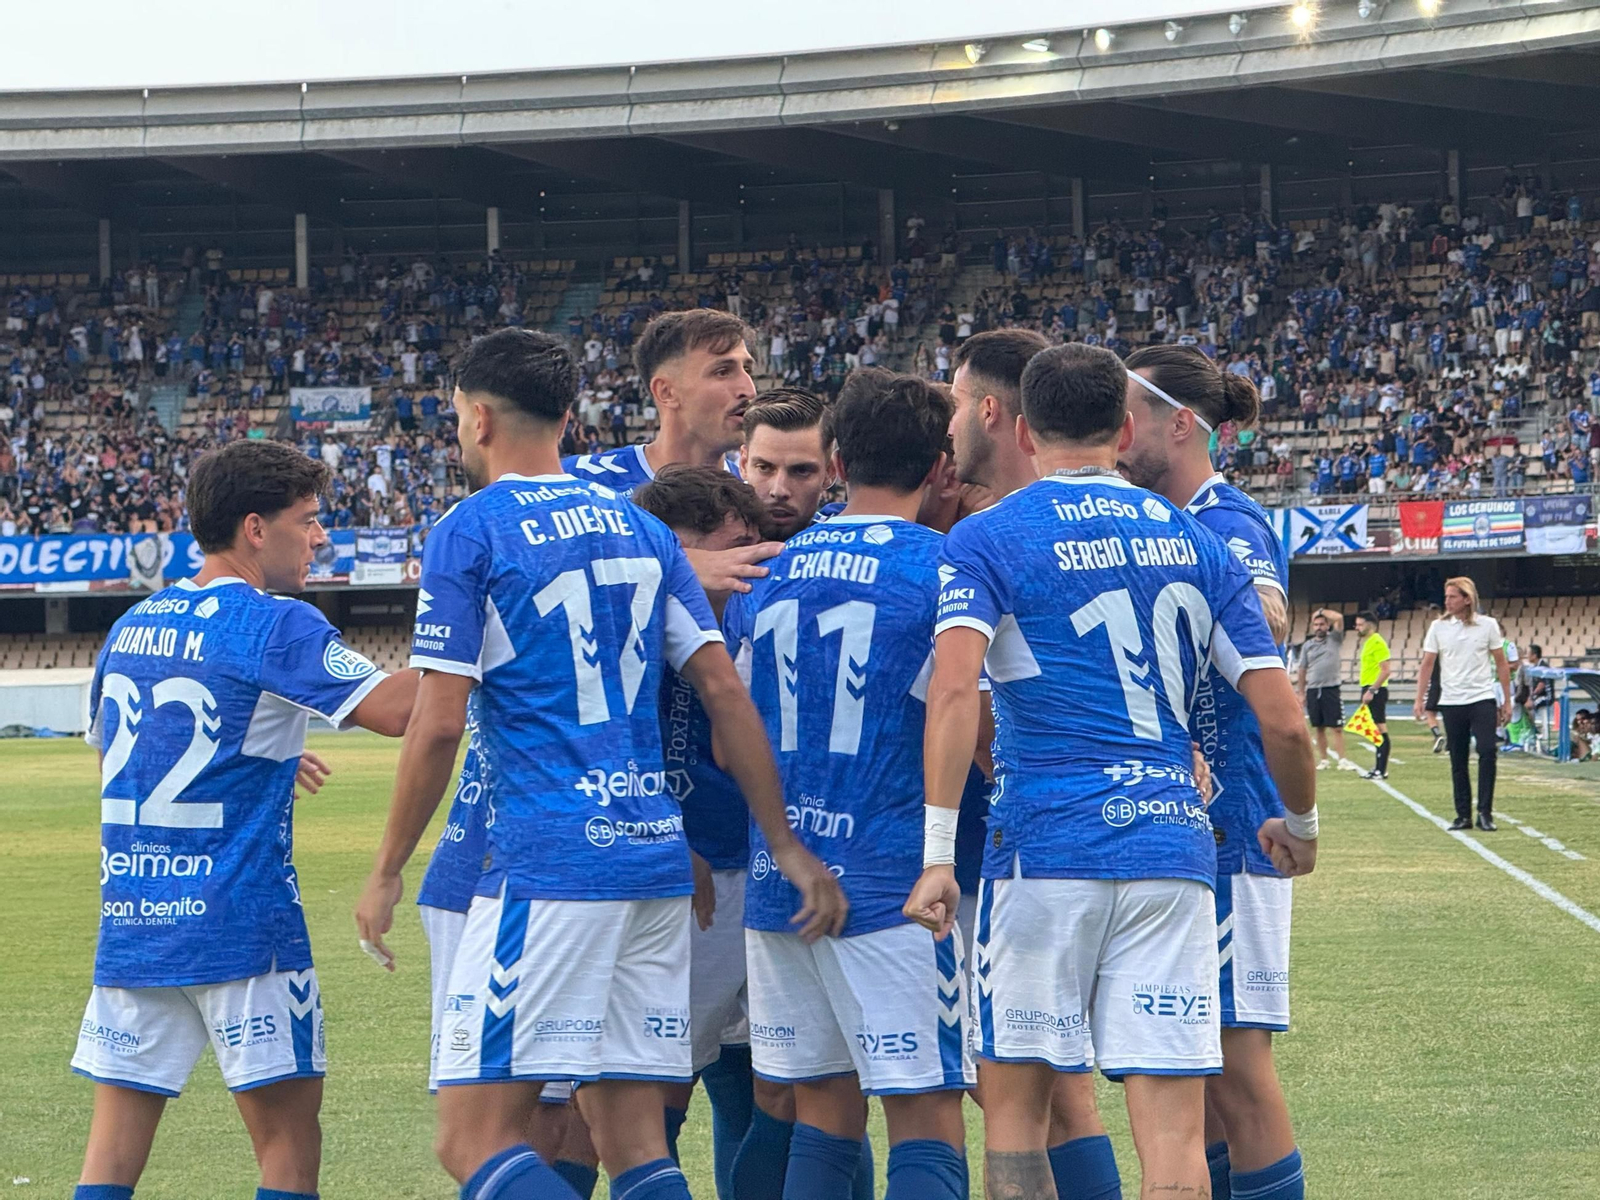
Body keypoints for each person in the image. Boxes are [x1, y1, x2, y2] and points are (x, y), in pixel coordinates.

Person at [353, 328, 846, 1200]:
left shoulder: (470, 530)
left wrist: (387, 867)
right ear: (569, 415)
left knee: (471, 1143)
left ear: (475, 418)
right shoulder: (638, 531)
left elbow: (435, 725)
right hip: (656, 860)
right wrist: (788, 844)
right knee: (633, 1138)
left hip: (544, 862)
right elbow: (726, 696)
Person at [907, 342, 1318, 1200]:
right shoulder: (1196, 540)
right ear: (1123, 426)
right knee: (1172, 1131)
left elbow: (953, 694)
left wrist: (940, 853)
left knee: (1018, 1111)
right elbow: (1283, 717)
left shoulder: (987, 538)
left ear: (1022, 427)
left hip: (1044, 851)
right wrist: (1304, 823)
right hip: (1172, 850)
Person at [72, 439, 419, 1200]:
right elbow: (402, 711)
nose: (321, 536)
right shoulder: (275, 623)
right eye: (310, 520)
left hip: (136, 924)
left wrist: (250, 756)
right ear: (256, 529)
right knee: (289, 1147)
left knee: (110, 1160)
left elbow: (115, 761)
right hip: (242, 927)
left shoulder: (129, 626)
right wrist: (471, 623)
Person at [724, 369, 975, 1200]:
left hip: (781, 878)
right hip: (893, 881)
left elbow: (734, 736)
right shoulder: (947, 569)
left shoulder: (767, 572)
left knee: (822, 1108)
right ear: (942, 465)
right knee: (926, 1112)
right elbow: (969, 716)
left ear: (833, 459)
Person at [1116, 343, 1308, 1200]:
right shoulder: (1151, 513)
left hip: (1237, 823)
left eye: (1130, 416)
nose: (1117, 436)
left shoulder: (1226, 519)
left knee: (1236, 1065)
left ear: (1181, 424)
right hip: (1183, 828)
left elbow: (1266, 610)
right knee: (1195, 1084)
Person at [948, 328, 1130, 1200]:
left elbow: (973, 701)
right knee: (1060, 1088)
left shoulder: (985, 534)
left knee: (1026, 1088)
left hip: (1005, 845)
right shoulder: (987, 518)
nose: (946, 422)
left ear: (994, 413)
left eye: (953, 401)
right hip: (1077, 837)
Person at [632, 466, 795, 1200]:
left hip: (759, 874)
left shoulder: (748, 611)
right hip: (691, 882)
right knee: (660, 1086)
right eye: (736, 546)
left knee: (786, 1084)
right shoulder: (640, 626)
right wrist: (673, 837)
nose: (753, 560)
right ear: (680, 551)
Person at [1413, 577, 1512, 832]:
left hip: (1481, 698)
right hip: (1452, 700)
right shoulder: (1438, 627)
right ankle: (1463, 814)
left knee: (1488, 751)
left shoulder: (1487, 625)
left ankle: (1485, 813)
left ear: (1467, 598)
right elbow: (1427, 664)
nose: (1447, 601)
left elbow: (1501, 663)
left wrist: (1507, 700)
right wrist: (1420, 698)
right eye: (1446, 597)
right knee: (1458, 759)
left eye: (1452, 597)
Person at [737, 388, 837, 541]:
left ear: (830, 472)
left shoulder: (854, 551)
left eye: (801, 471)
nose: (779, 491)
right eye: (764, 468)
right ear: (743, 465)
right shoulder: (696, 551)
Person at [1296, 609, 1354, 770]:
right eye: (1316, 624)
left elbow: (1340, 618)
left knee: (1336, 727)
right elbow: (1302, 669)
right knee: (1318, 727)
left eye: (1321, 624)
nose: (1318, 627)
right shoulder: (1308, 645)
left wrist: (1320, 612)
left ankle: (1342, 760)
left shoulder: (1334, 639)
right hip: (1314, 689)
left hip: (1331, 688)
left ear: (1327, 626)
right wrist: (1301, 692)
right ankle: (1324, 760)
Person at [1355, 612, 1393, 780]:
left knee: (1379, 729)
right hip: (1369, 688)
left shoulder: (1377, 642)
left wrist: (1372, 690)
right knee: (1374, 729)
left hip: (1375, 690)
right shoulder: (1369, 643)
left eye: (1360, 624)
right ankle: (1379, 767)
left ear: (1370, 625)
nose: (1357, 627)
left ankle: (1381, 768)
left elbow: (1386, 670)